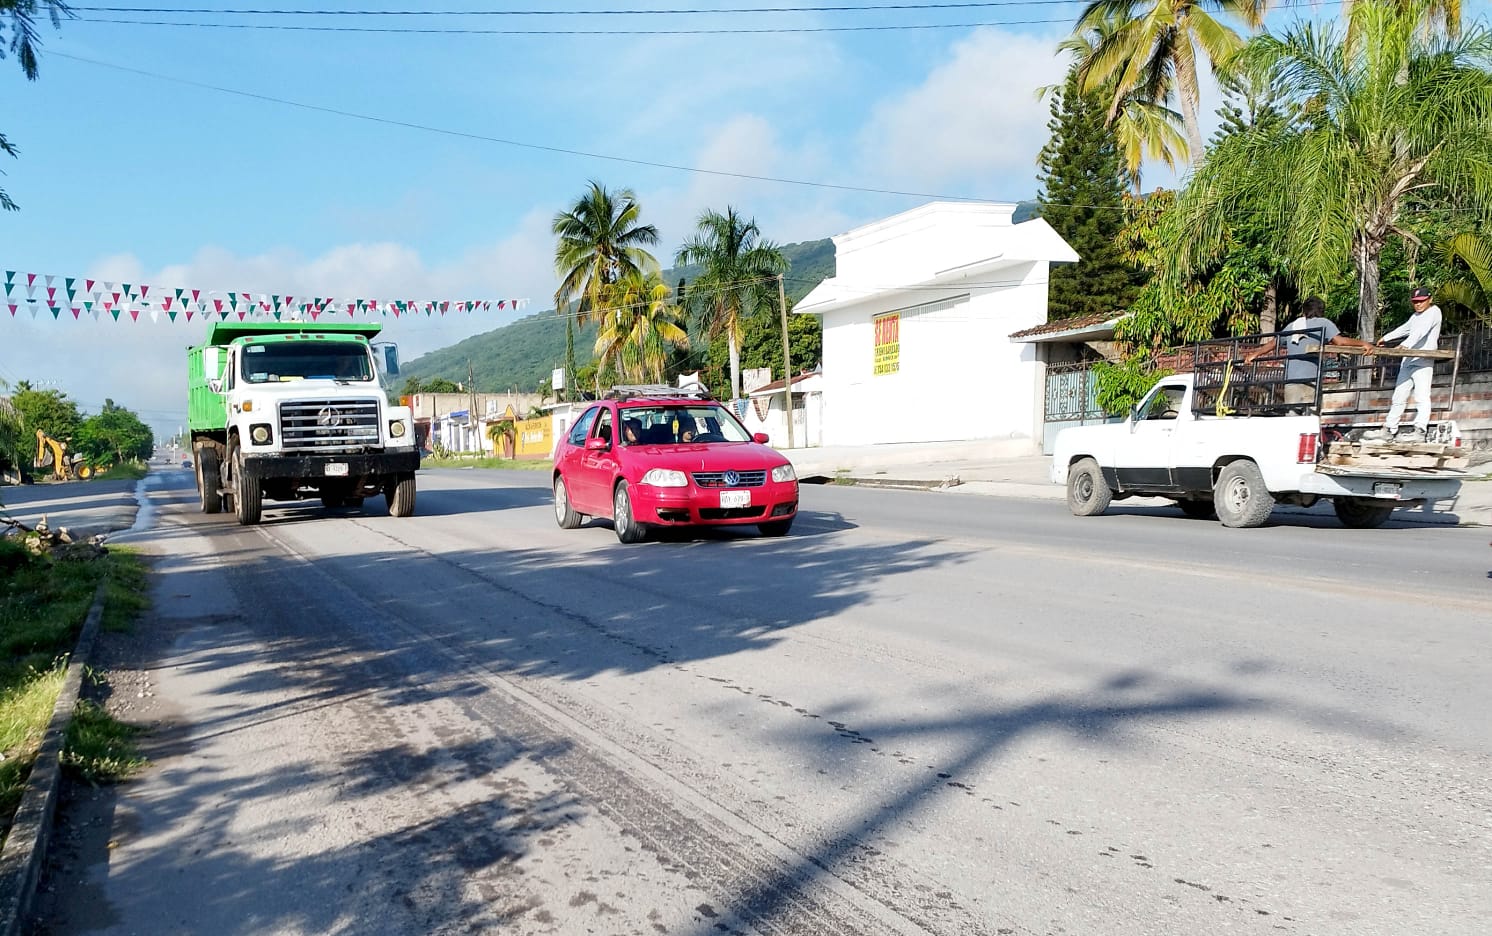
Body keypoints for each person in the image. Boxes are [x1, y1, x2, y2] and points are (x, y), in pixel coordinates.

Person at [1242, 296, 1373, 409]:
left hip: (1292, 379)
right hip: (1311, 378)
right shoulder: (1324, 323)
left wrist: (1255, 354)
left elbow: (1273, 343)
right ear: (1321, 311)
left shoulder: (1293, 326)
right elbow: (1340, 342)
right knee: (1310, 416)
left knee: (1292, 416)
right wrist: (1363, 343)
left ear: (1304, 311)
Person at [1364, 287, 1443, 443]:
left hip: (1422, 359)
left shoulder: (1434, 312)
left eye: (1421, 301)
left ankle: (1420, 430)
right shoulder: (1415, 316)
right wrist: (1386, 338)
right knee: (1399, 395)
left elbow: (1420, 332)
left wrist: (1405, 345)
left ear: (1429, 299)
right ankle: (1389, 429)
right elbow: (1406, 328)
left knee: (1422, 395)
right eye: (1415, 302)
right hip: (1408, 360)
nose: (1418, 304)